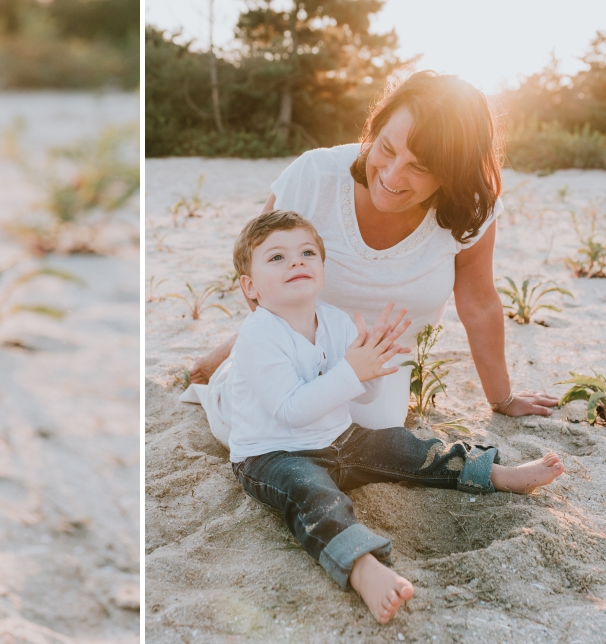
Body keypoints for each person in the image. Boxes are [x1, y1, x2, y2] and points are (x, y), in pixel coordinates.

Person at [212, 210, 565, 624]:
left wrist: (375, 363)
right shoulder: (257, 334)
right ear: (249, 287)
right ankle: (363, 567)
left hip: (340, 439)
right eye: (277, 257)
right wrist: (351, 370)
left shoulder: (336, 321)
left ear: (322, 270)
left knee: (404, 445)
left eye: (307, 252)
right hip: (273, 455)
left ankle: (494, 472)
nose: (296, 262)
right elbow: (290, 410)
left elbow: (361, 392)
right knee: (312, 493)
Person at [191, 71, 558, 427]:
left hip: (382, 356)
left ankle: (237, 348)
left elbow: (479, 304)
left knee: (376, 424)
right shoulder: (315, 176)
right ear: (375, 129)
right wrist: (279, 345)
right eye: (386, 148)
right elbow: (258, 268)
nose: (392, 177)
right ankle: (228, 367)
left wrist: (503, 398)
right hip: (300, 339)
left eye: (420, 166)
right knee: (264, 417)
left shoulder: (471, 207)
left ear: (454, 172)